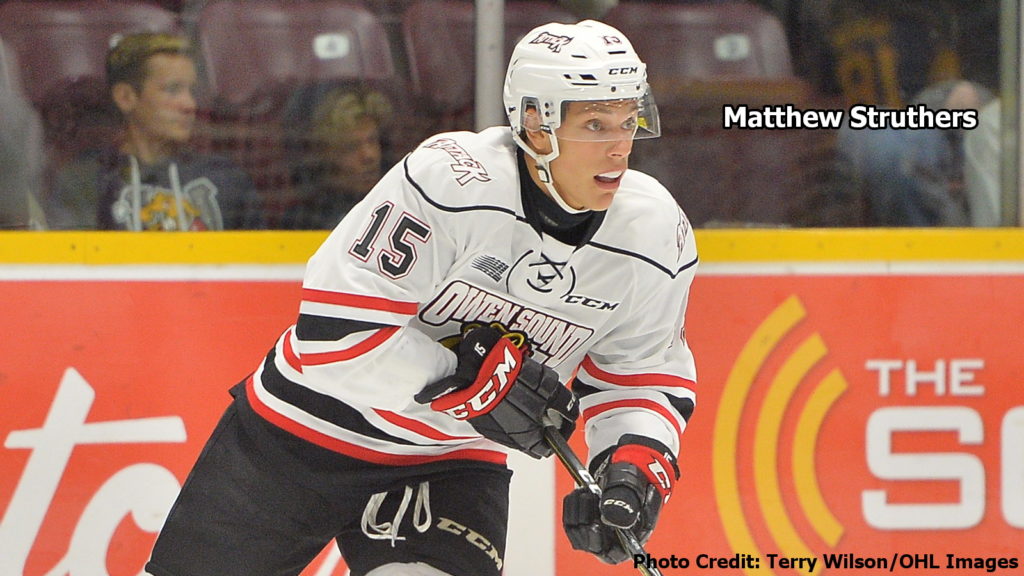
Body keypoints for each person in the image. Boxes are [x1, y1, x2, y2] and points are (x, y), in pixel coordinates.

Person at [146, 19, 698, 576]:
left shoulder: (654, 235)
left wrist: (632, 468)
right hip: (303, 432)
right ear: (536, 125)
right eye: (596, 124)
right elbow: (333, 336)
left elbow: (644, 377)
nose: (620, 148)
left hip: (447, 461)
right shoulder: (453, 181)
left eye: (628, 121)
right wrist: (470, 381)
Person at [45, 32, 263, 231]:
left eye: (191, 91)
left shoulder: (227, 179)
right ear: (125, 97)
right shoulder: (86, 182)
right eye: (172, 90)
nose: (189, 104)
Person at [277, 84, 393, 229]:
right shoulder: (304, 219)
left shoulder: (400, 203)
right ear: (328, 153)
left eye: (372, 140)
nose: (369, 156)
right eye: (352, 147)